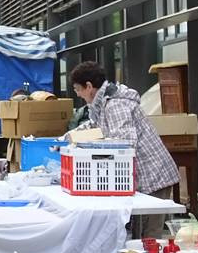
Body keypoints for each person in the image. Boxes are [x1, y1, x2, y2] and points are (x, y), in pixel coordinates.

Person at [69, 61, 179, 237]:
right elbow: (94, 126)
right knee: (139, 234)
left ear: (89, 86)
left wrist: (96, 153)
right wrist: (66, 138)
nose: (78, 94)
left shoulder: (115, 105)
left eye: (77, 89)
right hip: (142, 177)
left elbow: (124, 144)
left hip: (153, 175)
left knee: (149, 237)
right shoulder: (103, 104)